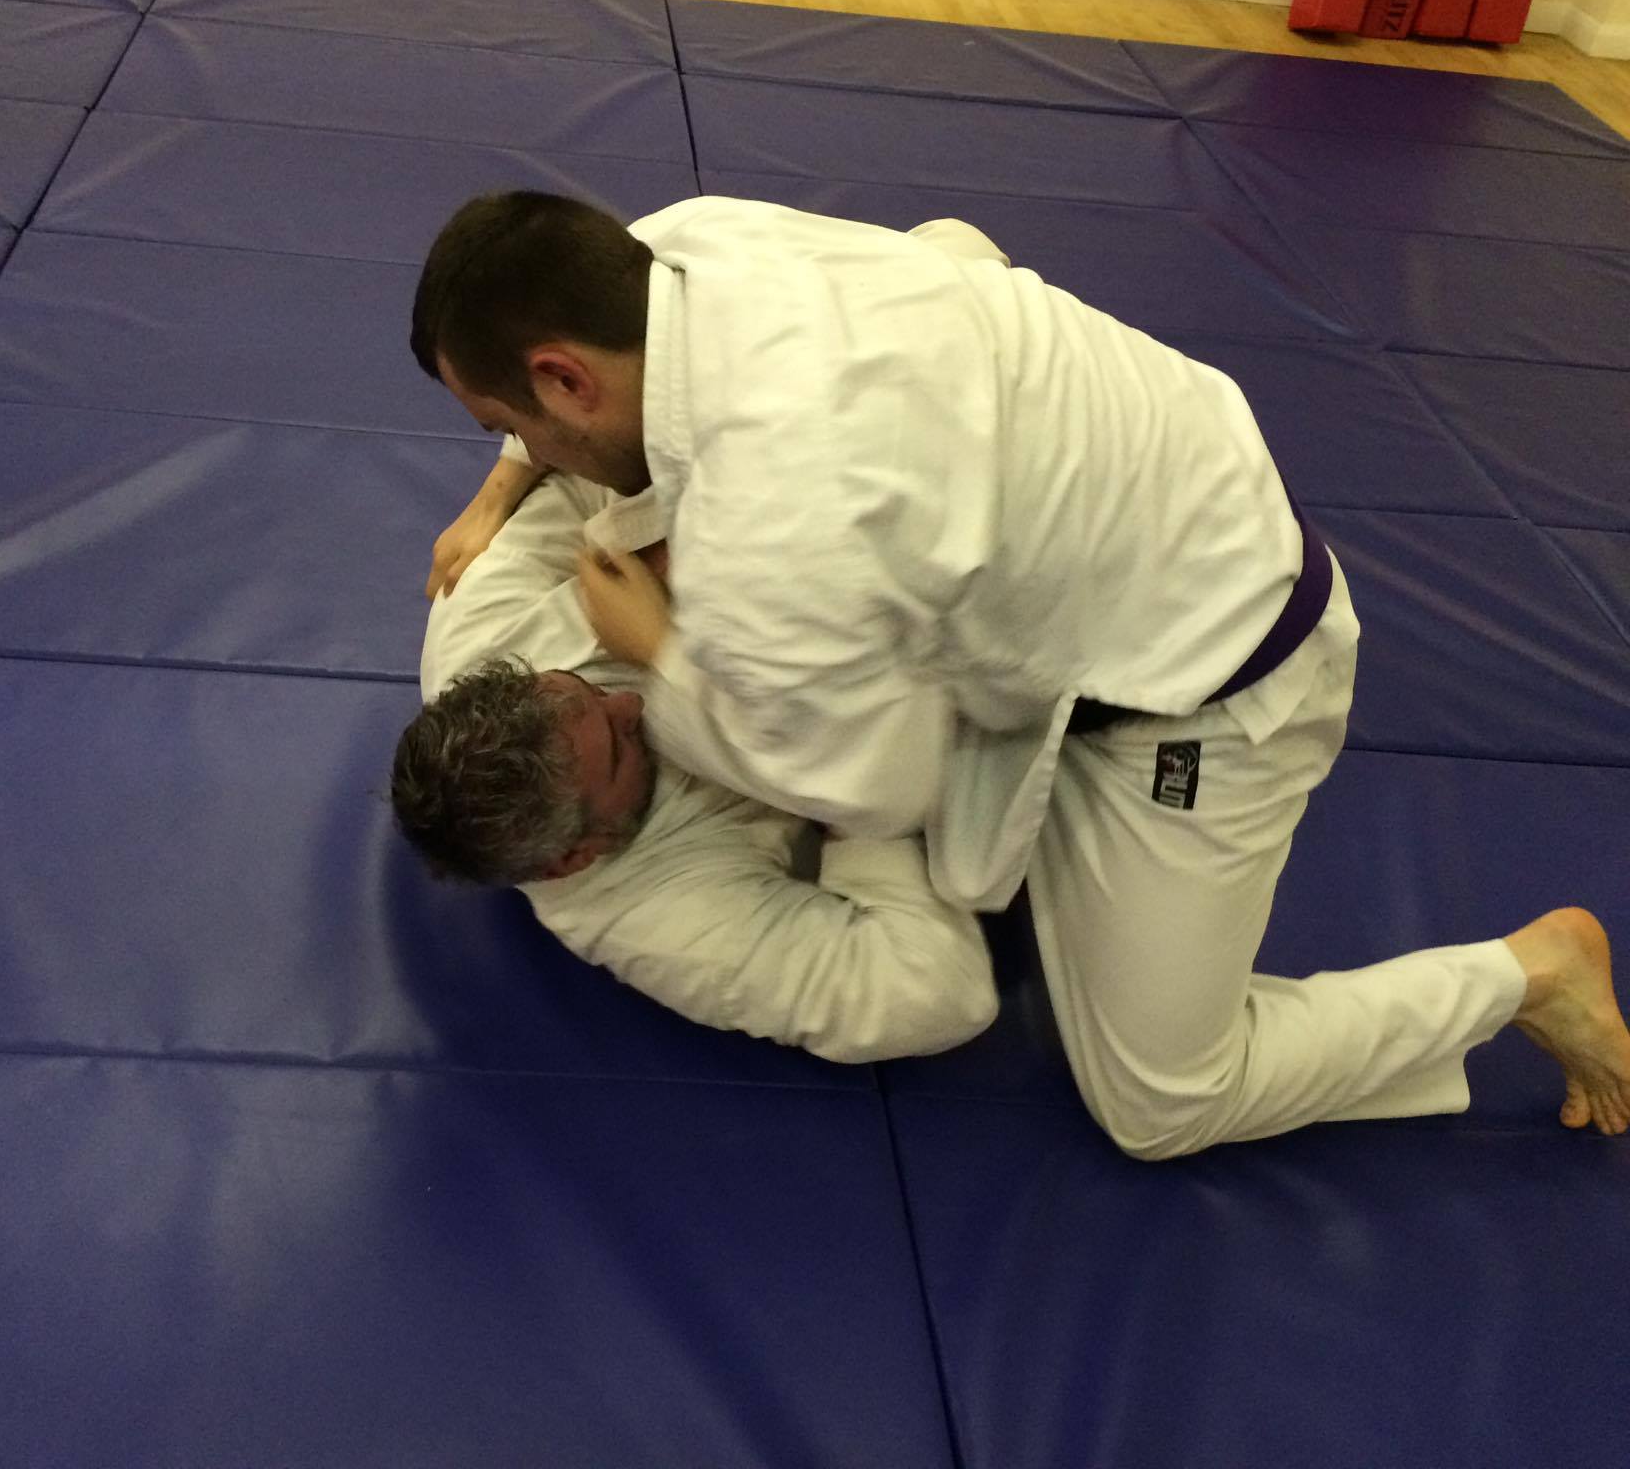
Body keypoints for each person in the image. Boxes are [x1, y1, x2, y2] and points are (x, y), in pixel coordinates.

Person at [405, 189, 1630, 1156]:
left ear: (564, 374)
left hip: (1206, 671)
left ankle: (1527, 977)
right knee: (941, 259)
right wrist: (559, 535)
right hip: (1141, 491)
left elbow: (880, 785)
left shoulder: (774, 525)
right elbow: (877, 806)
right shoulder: (684, 244)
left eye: (510, 423)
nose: (625, 710)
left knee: (1161, 1102)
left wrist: (646, 637)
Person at [392, 467, 1000, 1065]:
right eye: (618, 749)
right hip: (934, 710)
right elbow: (936, 995)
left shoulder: (479, 632)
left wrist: (643, 540)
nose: (627, 705)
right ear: (576, 856)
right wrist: (846, 799)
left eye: (587, 688)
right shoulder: (656, 916)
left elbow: (593, 467)